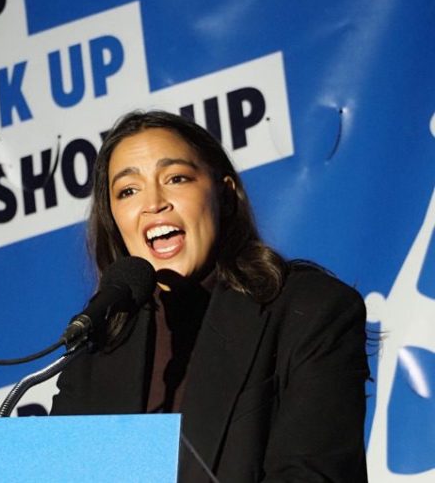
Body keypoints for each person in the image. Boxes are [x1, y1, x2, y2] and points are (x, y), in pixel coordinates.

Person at [50, 110, 369, 482]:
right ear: (115, 221)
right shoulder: (95, 351)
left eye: (176, 178)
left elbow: (315, 474)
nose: (154, 203)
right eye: (129, 191)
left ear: (225, 194)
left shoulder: (308, 309)